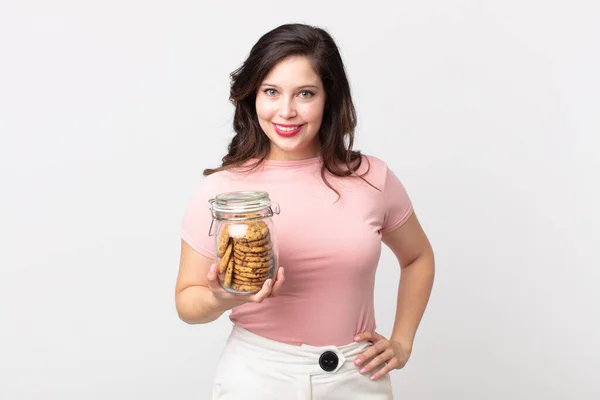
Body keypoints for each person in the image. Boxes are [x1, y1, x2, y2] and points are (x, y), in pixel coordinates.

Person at [175, 23, 435, 399]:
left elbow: (418, 256)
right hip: (259, 377)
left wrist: (402, 342)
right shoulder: (224, 191)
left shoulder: (372, 178)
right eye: (271, 92)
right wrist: (223, 297)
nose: (286, 111)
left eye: (305, 93)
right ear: (253, 97)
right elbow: (187, 301)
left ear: (329, 98)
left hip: (356, 375)